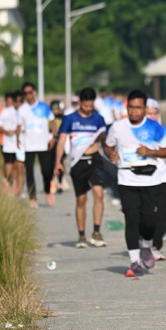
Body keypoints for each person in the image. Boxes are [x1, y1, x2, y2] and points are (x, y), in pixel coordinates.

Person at [104, 90, 166, 278]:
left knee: (149, 222)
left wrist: (149, 151)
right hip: (127, 179)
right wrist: (111, 155)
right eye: (131, 107)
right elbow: (107, 146)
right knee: (131, 220)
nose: (134, 111)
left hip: (151, 180)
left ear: (144, 109)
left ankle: (146, 246)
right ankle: (134, 262)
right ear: (127, 108)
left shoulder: (155, 127)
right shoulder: (117, 127)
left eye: (138, 108)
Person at [55, 87, 108, 248]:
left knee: (98, 194)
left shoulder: (98, 119)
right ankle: (81, 235)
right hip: (78, 163)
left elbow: (105, 141)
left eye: (91, 106)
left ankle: (97, 232)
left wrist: (103, 139)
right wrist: (58, 162)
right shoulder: (70, 119)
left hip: (95, 160)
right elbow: (62, 141)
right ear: (80, 103)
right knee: (81, 199)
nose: (88, 109)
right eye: (86, 106)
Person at [17, 82, 57, 208]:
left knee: (46, 171)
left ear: (34, 92)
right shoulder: (22, 110)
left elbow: (53, 123)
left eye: (30, 92)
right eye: (25, 93)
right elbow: (19, 126)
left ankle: (47, 191)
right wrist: (18, 138)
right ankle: (32, 198)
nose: (28, 95)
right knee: (29, 172)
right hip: (29, 145)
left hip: (44, 144)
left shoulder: (44, 107)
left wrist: (53, 137)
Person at [145, 97, 166, 261]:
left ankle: (156, 247)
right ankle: (145, 243)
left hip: (162, 178)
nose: (151, 116)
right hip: (144, 179)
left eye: (154, 113)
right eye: (148, 113)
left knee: (161, 214)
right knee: (147, 215)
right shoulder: (138, 131)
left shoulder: (165, 132)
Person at [0, 92, 17, 190]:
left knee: (15, 162)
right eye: (7, 100)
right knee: (7, 161)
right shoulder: (1, 110)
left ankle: (12, 180)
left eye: (10, 100)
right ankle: (8, 180)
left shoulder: (17, 110)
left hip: (16, 141)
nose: (9, 102)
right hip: (4, 140)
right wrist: (6, 132)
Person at [50, 100, 66, 195]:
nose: (55, 111)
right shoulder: (49, 118)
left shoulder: (63, 118)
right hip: (51, 143)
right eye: (53, 109)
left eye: (57, 108)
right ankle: (52, 182)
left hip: (60, 143)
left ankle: (60, 183)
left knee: (61, 162)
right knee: (52, 163)